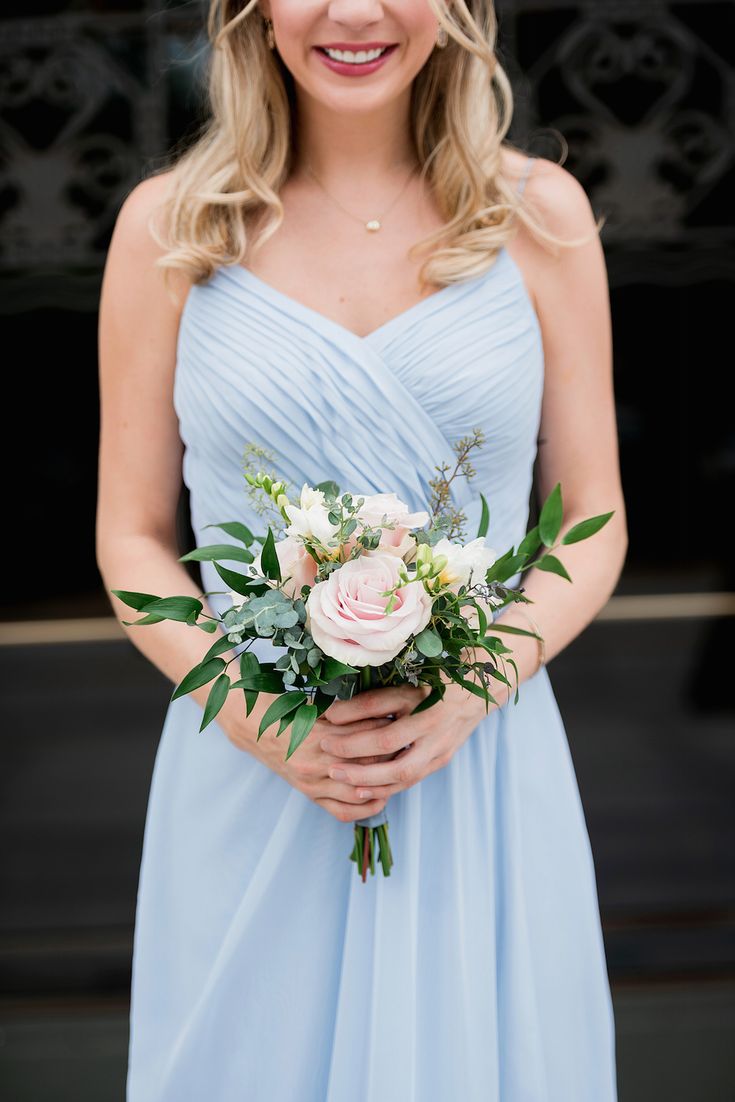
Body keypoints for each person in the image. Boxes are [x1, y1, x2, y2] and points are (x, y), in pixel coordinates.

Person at [96, 1, 628, 1099]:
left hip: (478, 761)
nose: (351, 12)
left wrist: (474, 692)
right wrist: (263, 722)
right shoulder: (169, 227)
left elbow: (595, 519)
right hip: (250, 763)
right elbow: (132, 539)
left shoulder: (541, 215)